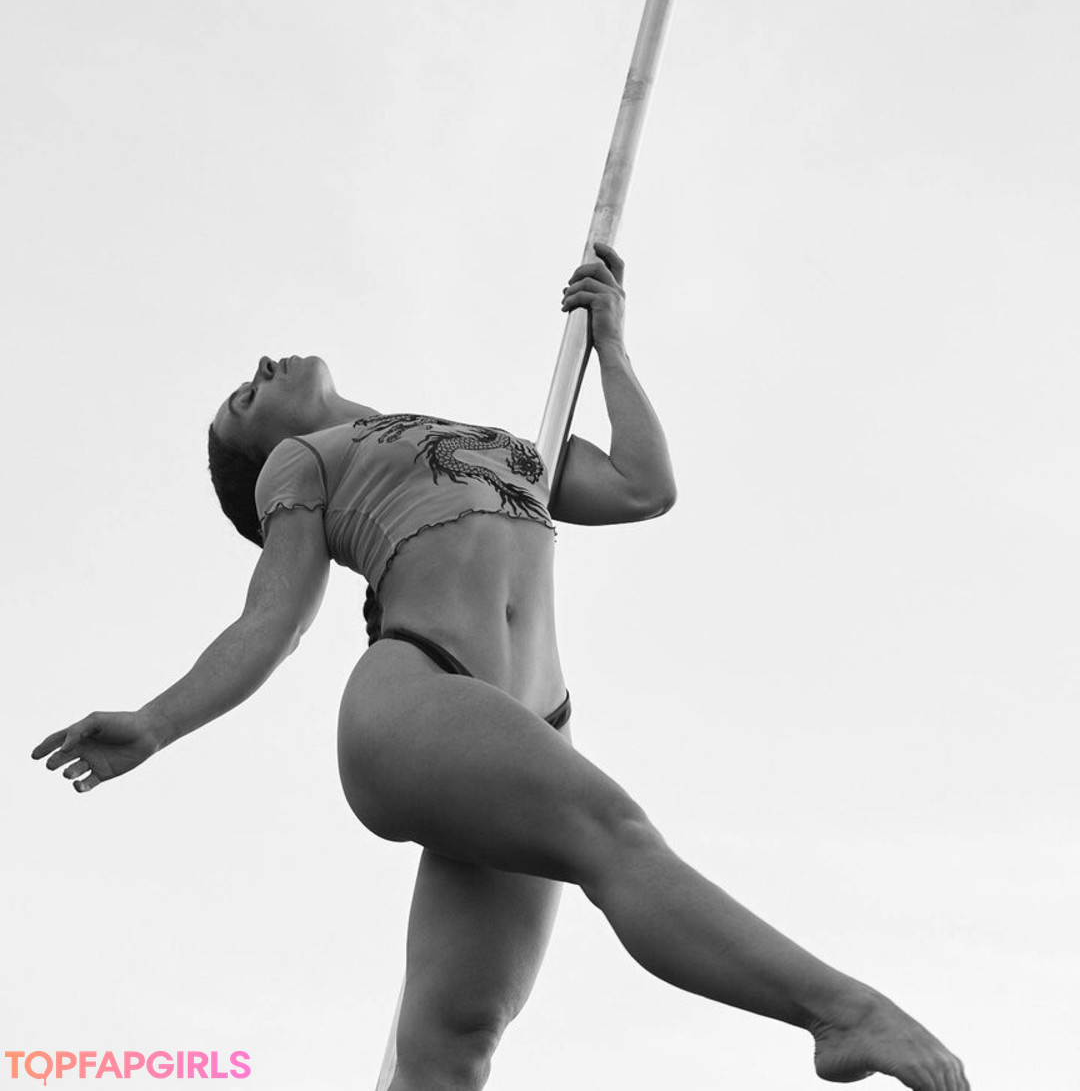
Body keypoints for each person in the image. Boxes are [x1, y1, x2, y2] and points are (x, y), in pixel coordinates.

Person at [33, 243, 969, 1091]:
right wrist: (156, 722)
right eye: (246, 398)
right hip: (421, 693)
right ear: (264, 453)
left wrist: (612, 345)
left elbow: (643, 487)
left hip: (527, 724)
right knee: (617, 837)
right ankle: (843, 1013)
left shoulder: (507, 446)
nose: (262, 366)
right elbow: (272, 620)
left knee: (452, 1045)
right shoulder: (304, 463)